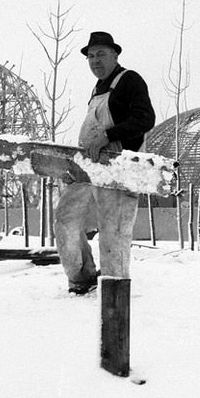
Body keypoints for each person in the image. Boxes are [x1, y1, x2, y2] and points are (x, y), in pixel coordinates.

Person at [55, 31, 156, 295]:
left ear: (115, 55)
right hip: (89, 168)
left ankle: (115, 290)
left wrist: (108, 135)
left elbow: (145, 119)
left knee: (114, 233)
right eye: (90, 56)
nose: (94, 60)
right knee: (66, 219)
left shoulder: (129, 80)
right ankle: (82, 277)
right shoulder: (97, 89)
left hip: (118, 170)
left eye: (101, 54)